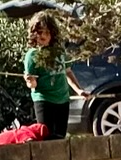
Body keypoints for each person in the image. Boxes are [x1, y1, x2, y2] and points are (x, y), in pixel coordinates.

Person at [23, 12, 79, 140]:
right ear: (33, 33)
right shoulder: (32, 56)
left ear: (52, 34)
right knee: (45, 136)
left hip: (62, 99)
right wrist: (29, 81)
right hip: (44, 100)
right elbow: (32, 85)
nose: (43, 35)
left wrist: (79, 90)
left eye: (46, 32)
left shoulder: (59, 52)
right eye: (39, 32)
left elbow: (68, 72)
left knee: (60, 137)